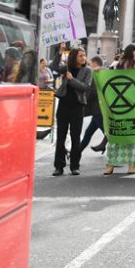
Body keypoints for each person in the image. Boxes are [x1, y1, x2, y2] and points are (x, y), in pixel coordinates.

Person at [104, 44, 135, 175]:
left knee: (132, 135)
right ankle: (110, 164)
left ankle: (132, 165)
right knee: (115, 134)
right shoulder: (117, 66)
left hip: (132, 106)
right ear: (130, 53)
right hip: (119, 106)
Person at [52, 47, 93, 176]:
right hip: (63, 105)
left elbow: (84, 87)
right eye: (80, 56)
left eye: (84, 55)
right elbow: (54, 66)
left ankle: (75, 166)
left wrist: (71, 79)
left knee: (76, 138)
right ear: (74, 56)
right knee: (61, 137)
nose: (83, 58)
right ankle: (59, 166)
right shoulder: (66, 68)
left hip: (77, 107)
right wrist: (59, 52)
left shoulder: (87, 71)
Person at [80, 56, 106, 153]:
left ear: (94, 63)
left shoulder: (95, 75)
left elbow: (93, 92)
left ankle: (116, 156)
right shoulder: (104, 73)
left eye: (90, 64)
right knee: (88, 133)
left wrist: (84, 99)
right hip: (98, 110)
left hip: (98, 109)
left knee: (108, 134)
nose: (89, 66)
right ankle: (76, 153)